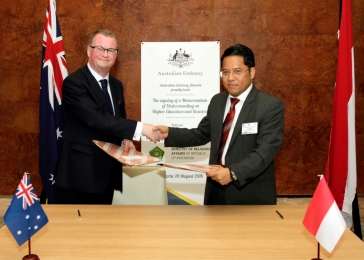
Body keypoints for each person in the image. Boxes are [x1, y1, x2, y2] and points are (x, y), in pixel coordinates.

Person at [154, 44, 284, 205]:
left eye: (237, 71)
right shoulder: (217, 101)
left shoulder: (269, 106)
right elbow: (201, 134)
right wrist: (169, 133)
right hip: (215, 190)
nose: (230, 78)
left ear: (252, 72)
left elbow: (265, 152)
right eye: (225, 72)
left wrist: (233, 173)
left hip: (249, 194)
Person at [54, 30, 162, 204]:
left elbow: (117, 120)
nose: (105, 54)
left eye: (111, 50)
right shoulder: (74, 83)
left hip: (106, 177)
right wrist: (143, 128)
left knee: (101, 230)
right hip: (78, 178)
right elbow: (97, 119)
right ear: (89, 51)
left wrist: (125, 139)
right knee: (75, 230)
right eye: (100, 48)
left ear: (116, 55)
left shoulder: (116, 85)